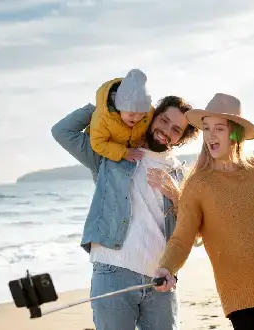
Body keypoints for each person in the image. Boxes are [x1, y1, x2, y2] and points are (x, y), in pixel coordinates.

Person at [154, 93, 254, 330]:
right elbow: (182, 238)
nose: (210, 135)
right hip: (241, 294)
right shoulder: (197, 184)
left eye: (218, 128)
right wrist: (166, 267)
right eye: (206, 128)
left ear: (235, 133)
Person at [51, 94, 200, 330]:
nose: (166, 130)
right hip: (113, 272)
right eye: (163, 120)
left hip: (161, 278)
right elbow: (63, 131)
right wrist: (111, 105)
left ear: (180, 139)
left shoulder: (181, 175)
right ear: (151, 116)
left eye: (176, 129)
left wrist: (176, 196)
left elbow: (195, 235)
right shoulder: (112, 156)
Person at [89, 69, 154, 162]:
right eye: (131, 114)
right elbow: (98, 143)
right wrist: (124, 153)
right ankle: (88, 110)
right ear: (119, 107)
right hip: (106, 153)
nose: (137, 118)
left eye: (142, 114)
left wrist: (143, 139)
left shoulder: (149, 112)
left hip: (134, 152)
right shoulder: (103, 118)